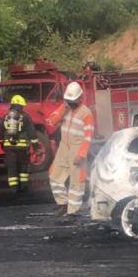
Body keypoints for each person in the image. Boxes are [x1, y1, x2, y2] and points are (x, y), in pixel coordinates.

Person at [47, 81, 95, 219]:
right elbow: (51, 121)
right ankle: (62, 204)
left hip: (77, 149)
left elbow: (88, 136)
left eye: (72, 100)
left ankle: (73, 210)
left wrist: (81, 154)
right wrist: (63, 108)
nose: (70, 103)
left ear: (80, 98)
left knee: (77, 181)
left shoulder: (86, 113)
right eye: (68, 100)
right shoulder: (65, 109)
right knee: (54, 176)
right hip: (64, 148)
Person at [0, 95, 39, 193]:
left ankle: (14, 188)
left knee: (12, 167)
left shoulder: (5, 116)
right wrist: (35, 146)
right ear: (21, 105)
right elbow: (32, 132)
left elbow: (0, 132)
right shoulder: (26, 116)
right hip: (22, 148)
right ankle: (23, 186)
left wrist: (2, 144)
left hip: (9, 147)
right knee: (23, 165)